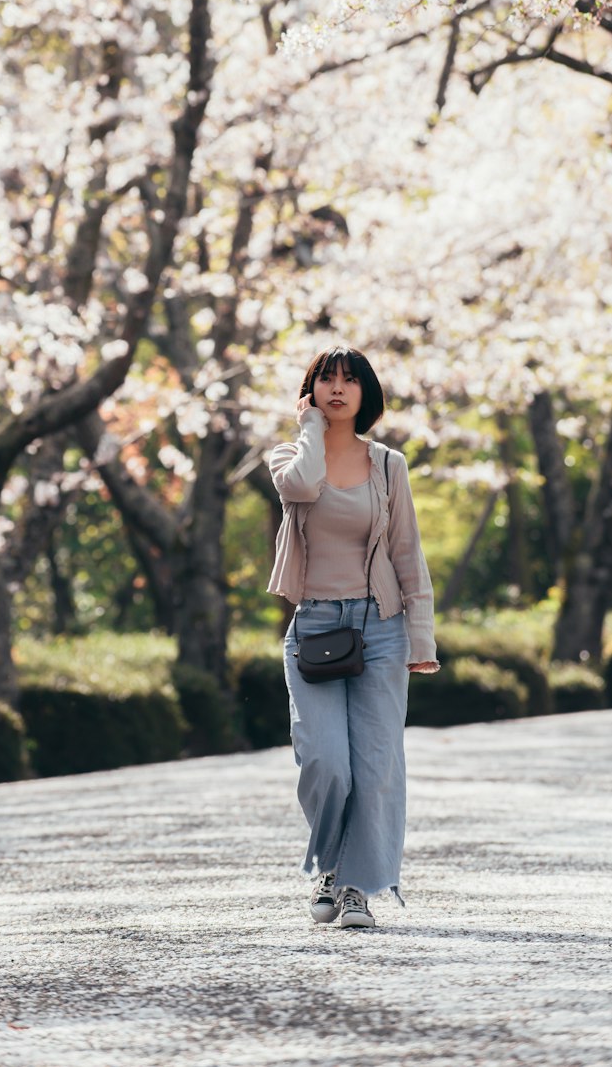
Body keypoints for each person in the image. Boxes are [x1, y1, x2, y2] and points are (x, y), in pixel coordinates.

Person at [267, 344, 440, 930]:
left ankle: (354, 889)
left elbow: (407, 553)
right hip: (315, 627)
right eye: (326, 380)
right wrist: (311, 427)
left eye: (349, 381)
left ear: (367, 392)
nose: (337, 389)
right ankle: (327, 864)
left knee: (375, 765)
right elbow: (303, 486)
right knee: (325, 762)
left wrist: (420, 638)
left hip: (381, 627)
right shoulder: (289, 457)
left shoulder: (389, 465)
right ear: (310, 391)